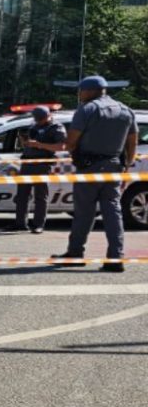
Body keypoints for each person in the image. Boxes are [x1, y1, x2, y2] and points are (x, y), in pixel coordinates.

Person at [45, 76, 137, 272]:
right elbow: (132, 143)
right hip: (114, 167)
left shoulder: (87, 110)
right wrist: (126, 167)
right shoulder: (125, 110)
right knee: (113, 212)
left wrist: (74, 153)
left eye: (81, 91)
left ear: (90, 91)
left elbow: (71, 142)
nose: (80, 95)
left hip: (89, 168)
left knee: (84, 213)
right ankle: (116, 257)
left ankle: (75, 253)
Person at [3, 105, 66, 233]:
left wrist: (38, 145)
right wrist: (25, 141)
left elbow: (61, 147)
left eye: (40, 119)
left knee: (40, 196)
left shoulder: (56, 128)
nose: (38, 121)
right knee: (22, 195)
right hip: (27, 162)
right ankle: (20, 223)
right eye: (36, 119)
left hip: (43, 164)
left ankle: (38, 225)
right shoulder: (34, 125)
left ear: (48, 116)